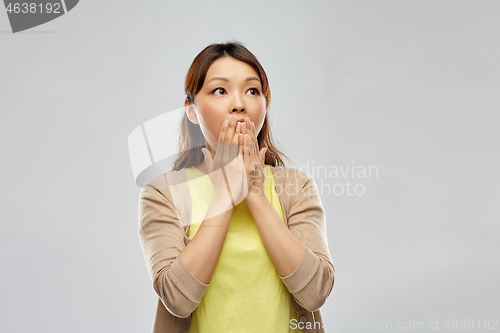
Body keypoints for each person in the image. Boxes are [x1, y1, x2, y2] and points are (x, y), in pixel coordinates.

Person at [138, 41, 335, 333]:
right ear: (191, 110)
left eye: (252, 90)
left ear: (265, 105)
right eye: (220, 90)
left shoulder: (296, 186)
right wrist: (226, 195)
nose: (239, 103)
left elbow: (315, 292)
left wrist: (254, 194)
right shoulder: (164, 193)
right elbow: (178, 300)